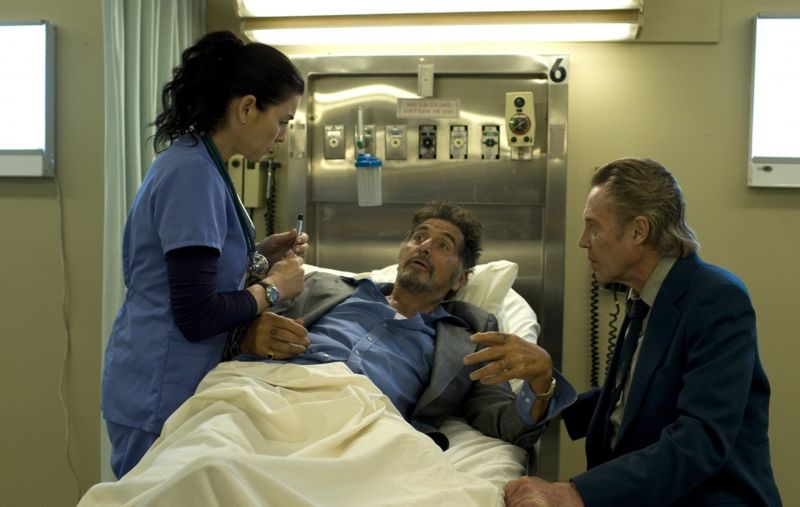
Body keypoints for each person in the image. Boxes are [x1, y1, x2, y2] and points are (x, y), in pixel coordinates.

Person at [504, 158, 782, 506]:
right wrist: (546, 389)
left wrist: (576, 493)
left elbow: (700, 440)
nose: (582, 241)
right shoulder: (647, 295)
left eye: (593, 227)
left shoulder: (716, 299)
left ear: (638, 231)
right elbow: (633, 397)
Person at [102, 31, 308, 478]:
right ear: (247, 108)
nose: (281, 136)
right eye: (282, 121)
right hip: (159, 390)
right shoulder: (192, 175)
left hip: (169, 381)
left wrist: (260, 255)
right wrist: (274, 289)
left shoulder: (200, 162)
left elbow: (193, 268)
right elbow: (197, 313)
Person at [229, 201, 576, 450]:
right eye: (418, 237)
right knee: (214, 459)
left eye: (443, 245)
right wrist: (245, 337)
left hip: (362, 432)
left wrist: (541, 381)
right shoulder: (321, 286)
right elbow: (223, 328)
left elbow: (505, 423)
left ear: (461, 279)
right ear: (402, 251)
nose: (424, 247)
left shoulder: (468, 339)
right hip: (271, 398)